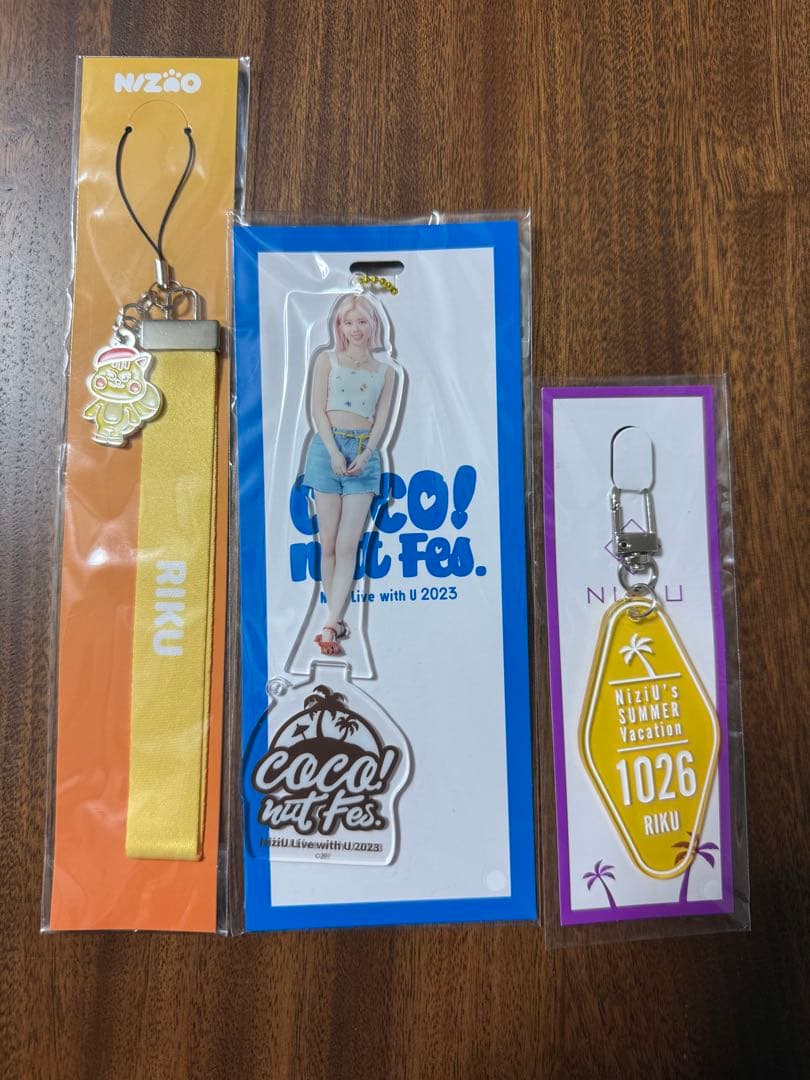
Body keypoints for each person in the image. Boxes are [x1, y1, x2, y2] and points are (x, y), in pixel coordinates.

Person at [302, 292, 398, 655]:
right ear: (339, 326)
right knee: (328, 541)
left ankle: (329, 624)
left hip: (363, 455)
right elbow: (318, 410)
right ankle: (335, 618)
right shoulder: (326, 360)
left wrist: (367, 452)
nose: (355, 329)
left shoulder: (386, 372)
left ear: (373, 325)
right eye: (348, 322)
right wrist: (332, 451)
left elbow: (382, 419)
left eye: (362, 321)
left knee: (348, 543)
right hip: (326, 451)